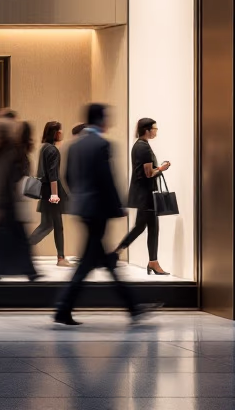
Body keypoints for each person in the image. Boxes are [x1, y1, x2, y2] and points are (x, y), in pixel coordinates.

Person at [54, 103, 145, 326]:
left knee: (96, 259)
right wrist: (118, 206)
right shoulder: (102, 144)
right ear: (100, 119)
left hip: (83, 207)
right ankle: (64, 307)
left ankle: (131, 307)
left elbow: (67, 176)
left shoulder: (74, 146)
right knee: (93, 261)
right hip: (97, 209)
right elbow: (107, 179)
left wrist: (79, 198)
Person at [115, 117, 171, 276]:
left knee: (141, 226)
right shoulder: (144, 148)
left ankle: (118, 252)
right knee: (153, 228)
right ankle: (153, 262)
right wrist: (162, 168)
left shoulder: (139, 145)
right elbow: (149, 173)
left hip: (142, 194)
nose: (156, 131)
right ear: (147, 130)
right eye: (155, 128)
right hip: (146, 195)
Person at [0, 117, 36, 281]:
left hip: (5, 202)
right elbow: (3, 180)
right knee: (15, 239)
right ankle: (28, 270)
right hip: (6, 203)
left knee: (7, 239)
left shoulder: (2, 152)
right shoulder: (7, 152)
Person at [28, 121, 70, 267]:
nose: (62, 133)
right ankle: (61, 258)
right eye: (60, 130)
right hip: (51, 192)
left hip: (45, 191)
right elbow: (53, 175)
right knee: (56, 224)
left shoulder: (44, 148)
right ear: (55, 133)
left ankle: (23, 249)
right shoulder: (52, 150)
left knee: (47, 224)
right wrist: (54, 194)